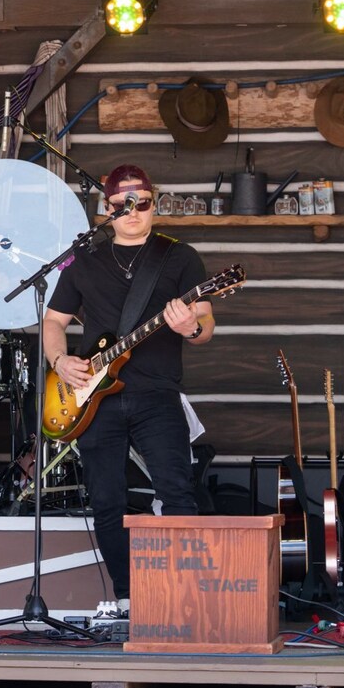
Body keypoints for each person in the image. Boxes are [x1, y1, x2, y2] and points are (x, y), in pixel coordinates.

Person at [43, 164, 214, 618]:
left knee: (177, 493)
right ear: (107, 209)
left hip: (157, 393)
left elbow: (205, 323)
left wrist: (191, 326)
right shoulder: (84, 261)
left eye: (142, 203)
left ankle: (180, 599)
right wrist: (60, 361)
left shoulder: (179, 257)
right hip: (94, 397)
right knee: (106, 501)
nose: (133, 212)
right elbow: (54, 321)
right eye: (123, 205)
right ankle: (127, 597)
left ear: (155, 204)